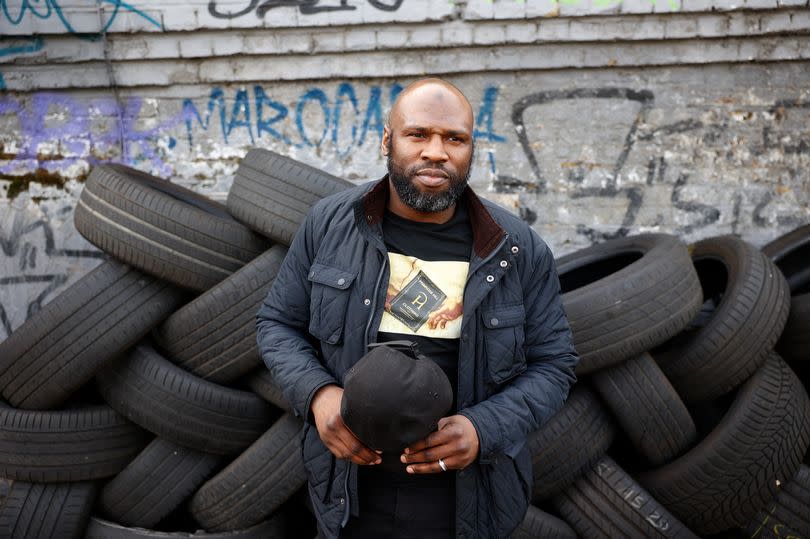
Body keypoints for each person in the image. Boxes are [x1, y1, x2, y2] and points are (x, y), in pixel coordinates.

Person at [256, 78, 579, 539]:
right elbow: (277, 324)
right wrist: (317, 396)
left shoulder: (515, 249)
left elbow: (555, 364)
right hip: (349, 489)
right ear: (387, 140)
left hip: (465, 498)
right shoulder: (330, 225)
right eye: (418, 134)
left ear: (471, 149)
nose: (435, 152)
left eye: (454, 139)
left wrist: (483, 428)